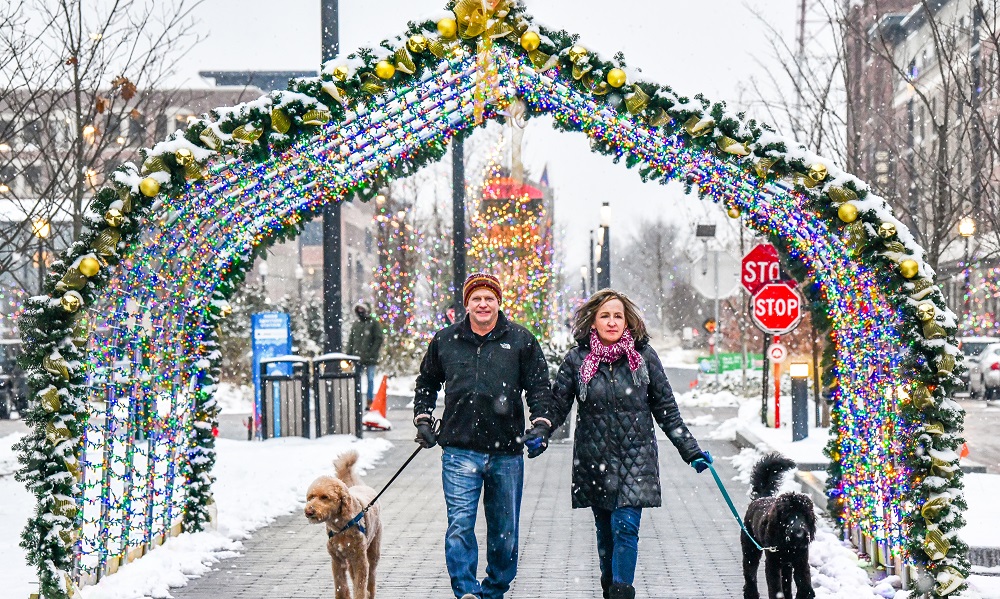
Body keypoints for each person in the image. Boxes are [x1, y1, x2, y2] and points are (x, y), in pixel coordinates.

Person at [523, 289, 712, 599]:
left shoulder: (644, 357)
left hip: (636, 458)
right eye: (605, 316)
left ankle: (622, 591)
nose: (612, 322)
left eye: (618, 316)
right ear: (593, 322)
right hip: (594, 458)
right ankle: (612, 586)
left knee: (626, 529)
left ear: (628, 322)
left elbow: (667, 411)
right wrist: (541, 430)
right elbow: (557, 405)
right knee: (606, 535)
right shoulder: (577, 359)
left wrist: (690, 451)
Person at [412, 272, 552, 599]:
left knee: (505, 534)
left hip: (507, 452)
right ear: (467, 304)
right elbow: (427, 383)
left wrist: (541, 425)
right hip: (459, 450)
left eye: (489, 298)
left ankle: (493, 590)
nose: (483, 304)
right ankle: (465, 592)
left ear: (498, 302)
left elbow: (539, 388)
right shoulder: (446, 340)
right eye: (476, 298)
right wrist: (422, 419)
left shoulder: (520, 340)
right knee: (460, 527)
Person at [346, 301, 384, 407]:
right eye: (359, 310)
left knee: (370, 380)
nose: (361, 312)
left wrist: (371, 352)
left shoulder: (373, 323)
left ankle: (369, 401)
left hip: (369, 358)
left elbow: (378, 339)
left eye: (362, 309)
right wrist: (348, 354)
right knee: (357, 379)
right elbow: (351, 340)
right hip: (357, 357)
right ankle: (357, 400)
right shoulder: (356, 324)